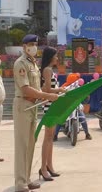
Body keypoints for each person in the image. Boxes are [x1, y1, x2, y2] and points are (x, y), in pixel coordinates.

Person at [13, 34, 58, 192]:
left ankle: (27, 179)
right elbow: (26, 89)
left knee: (31, 145)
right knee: (22, 145)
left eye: (35, 44)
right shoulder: (20, 63)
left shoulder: (33, 64)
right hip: (23, 105)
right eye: (31, 44)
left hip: (33, 106)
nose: (34, 47)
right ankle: (20, 183)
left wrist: (45, 96)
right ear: (24, 46)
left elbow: (37, 88)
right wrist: (47, 96)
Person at [39, 47, 66, 181]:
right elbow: (48, 89)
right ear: (50, 57)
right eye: (55, 56)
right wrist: (60, 89)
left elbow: (45, 88)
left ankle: (49, 165)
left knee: (50, 138)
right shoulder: (48, 70)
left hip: (52, 105)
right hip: (49, 107)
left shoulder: (49, 70)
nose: (57, 58)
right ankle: (44, 168)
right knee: (48, 137)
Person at [53, 73, 92, 141]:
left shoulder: (78, 87)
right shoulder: (64, 87)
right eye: (75, 79)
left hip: (76, 106)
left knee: (83, 119)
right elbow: (58, 95)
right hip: (66, 107)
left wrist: (86, 95)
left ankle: (87, 134)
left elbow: (84, 95)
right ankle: (55, 135)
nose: (76, 80)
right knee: (60, 119)